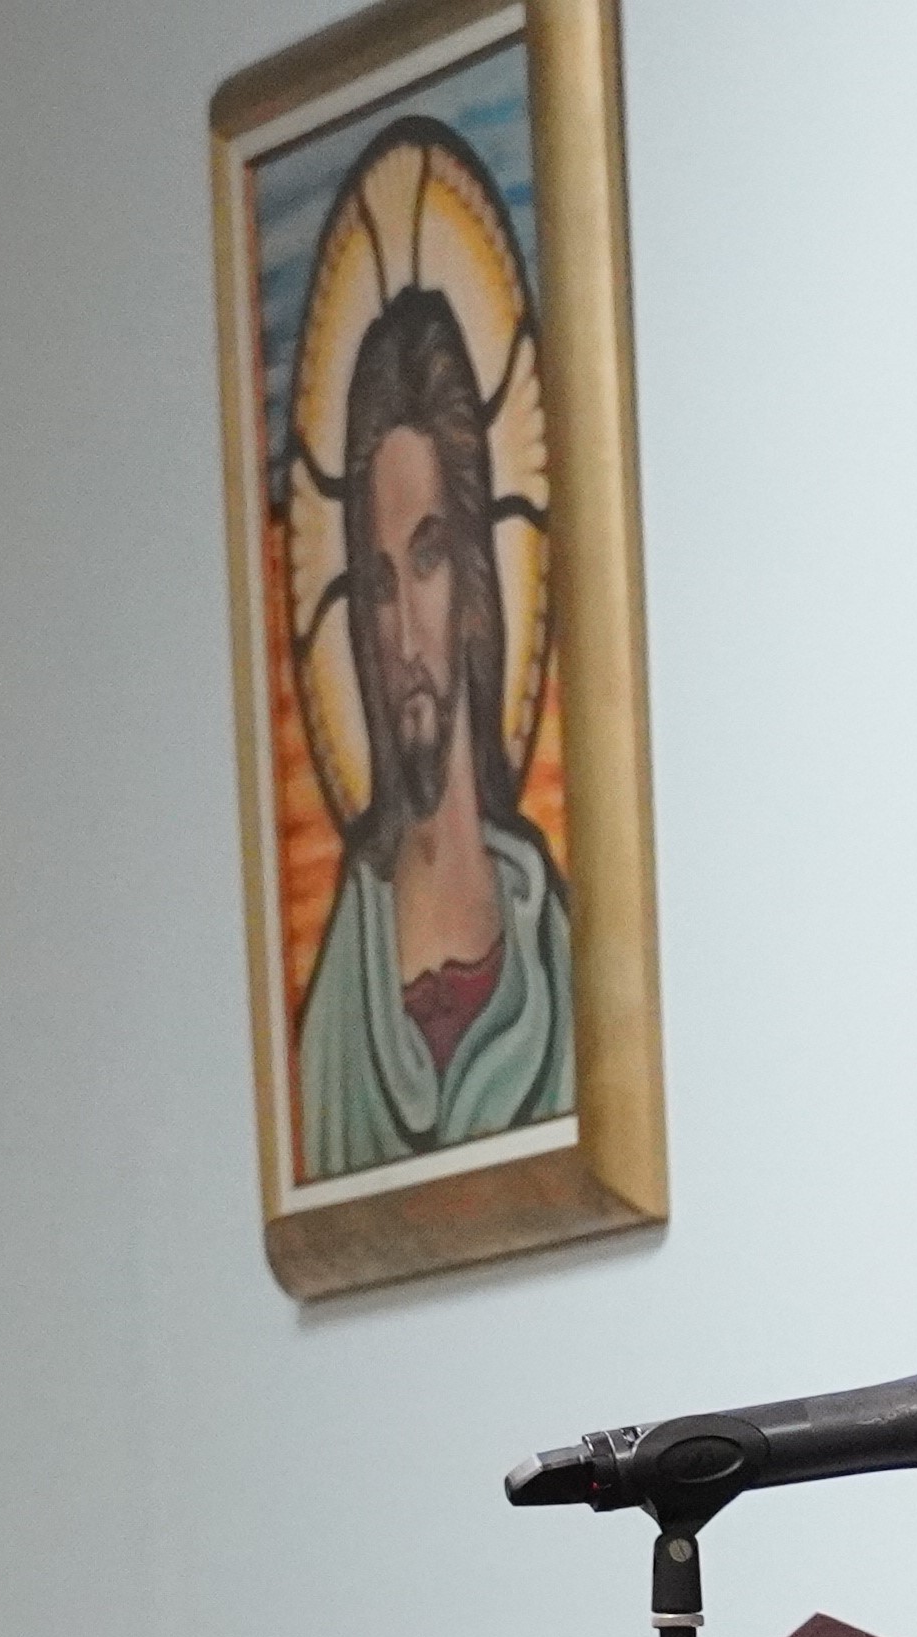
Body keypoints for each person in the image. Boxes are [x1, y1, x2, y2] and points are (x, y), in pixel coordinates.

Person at [292, 282, 574, 1173]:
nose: (407, 638)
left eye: (428, 560)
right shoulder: (343, 993)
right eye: (379, 585)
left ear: (474, 578)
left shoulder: (552, 951)